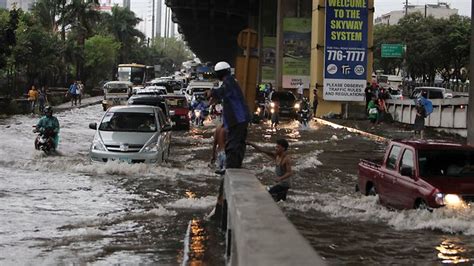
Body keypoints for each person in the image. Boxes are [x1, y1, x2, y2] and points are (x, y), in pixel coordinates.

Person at [206, 61, 251, 221]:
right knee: (234, 148)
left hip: (238, 121)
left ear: (220, 73)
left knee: (234, 150)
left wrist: (212, 92)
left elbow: (221, 92)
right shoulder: (230, 83)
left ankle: (231, 171)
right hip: (236, 123)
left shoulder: (230, 82)